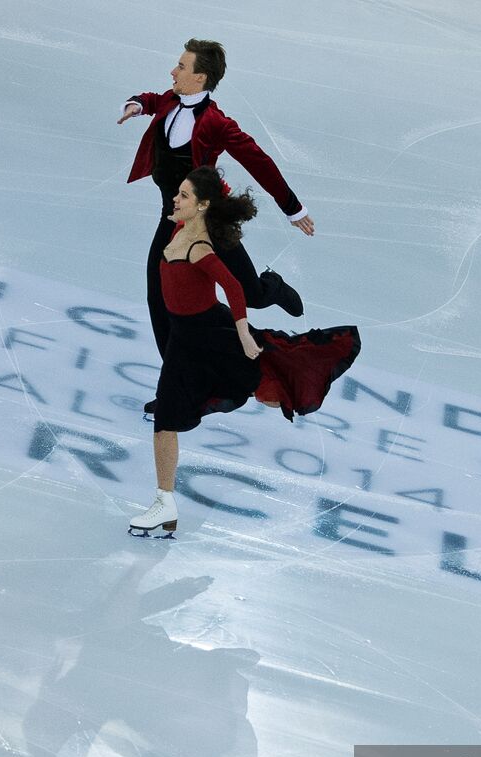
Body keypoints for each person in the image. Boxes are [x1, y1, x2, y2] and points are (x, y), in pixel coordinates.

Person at [128, 166, 359, 538]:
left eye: (184, 195)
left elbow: (234, 289)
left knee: (270, 382)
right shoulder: (177, 228)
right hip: (184, 340)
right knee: (165, 420)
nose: (176, 198)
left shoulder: (200, 248)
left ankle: (279, 314)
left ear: (202, 206)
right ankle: (164, 503)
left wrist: (243, 334)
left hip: (211, 334)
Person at [119, 38, 313, 388]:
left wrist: (292, 207)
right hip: (173, 218)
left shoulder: (216, 123)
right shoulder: (169, 100)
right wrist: (136, 104)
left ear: (200, 77)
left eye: (181, 66)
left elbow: (258, 161)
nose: (173, 71)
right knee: (158, 296)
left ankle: (274, 287)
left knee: (249, 294)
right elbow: (152, 100)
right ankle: (178, 383)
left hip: (209, 220)